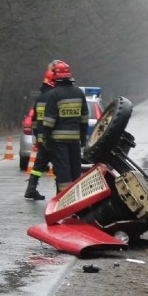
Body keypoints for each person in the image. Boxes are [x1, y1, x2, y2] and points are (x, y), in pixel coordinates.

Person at [42, 61, 89, 193]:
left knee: (63, 170)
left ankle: (64, 197)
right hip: (74, 140)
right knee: (75, 169)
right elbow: (84, 118)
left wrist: (46, 139)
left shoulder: (54, 94)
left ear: (56, 77)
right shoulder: (79, 93)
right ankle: (76, 197)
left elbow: (49, 121)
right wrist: (83, 138)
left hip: (58, 141)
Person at [24, 61, 58, 200]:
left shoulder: (40, 97)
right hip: (54, 138)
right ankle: (60, 194)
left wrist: (38, 139)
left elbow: (35, 121)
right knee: (59, 166)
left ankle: (30, 189)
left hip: (42, 138)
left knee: (38, 166)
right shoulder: (56, 96)